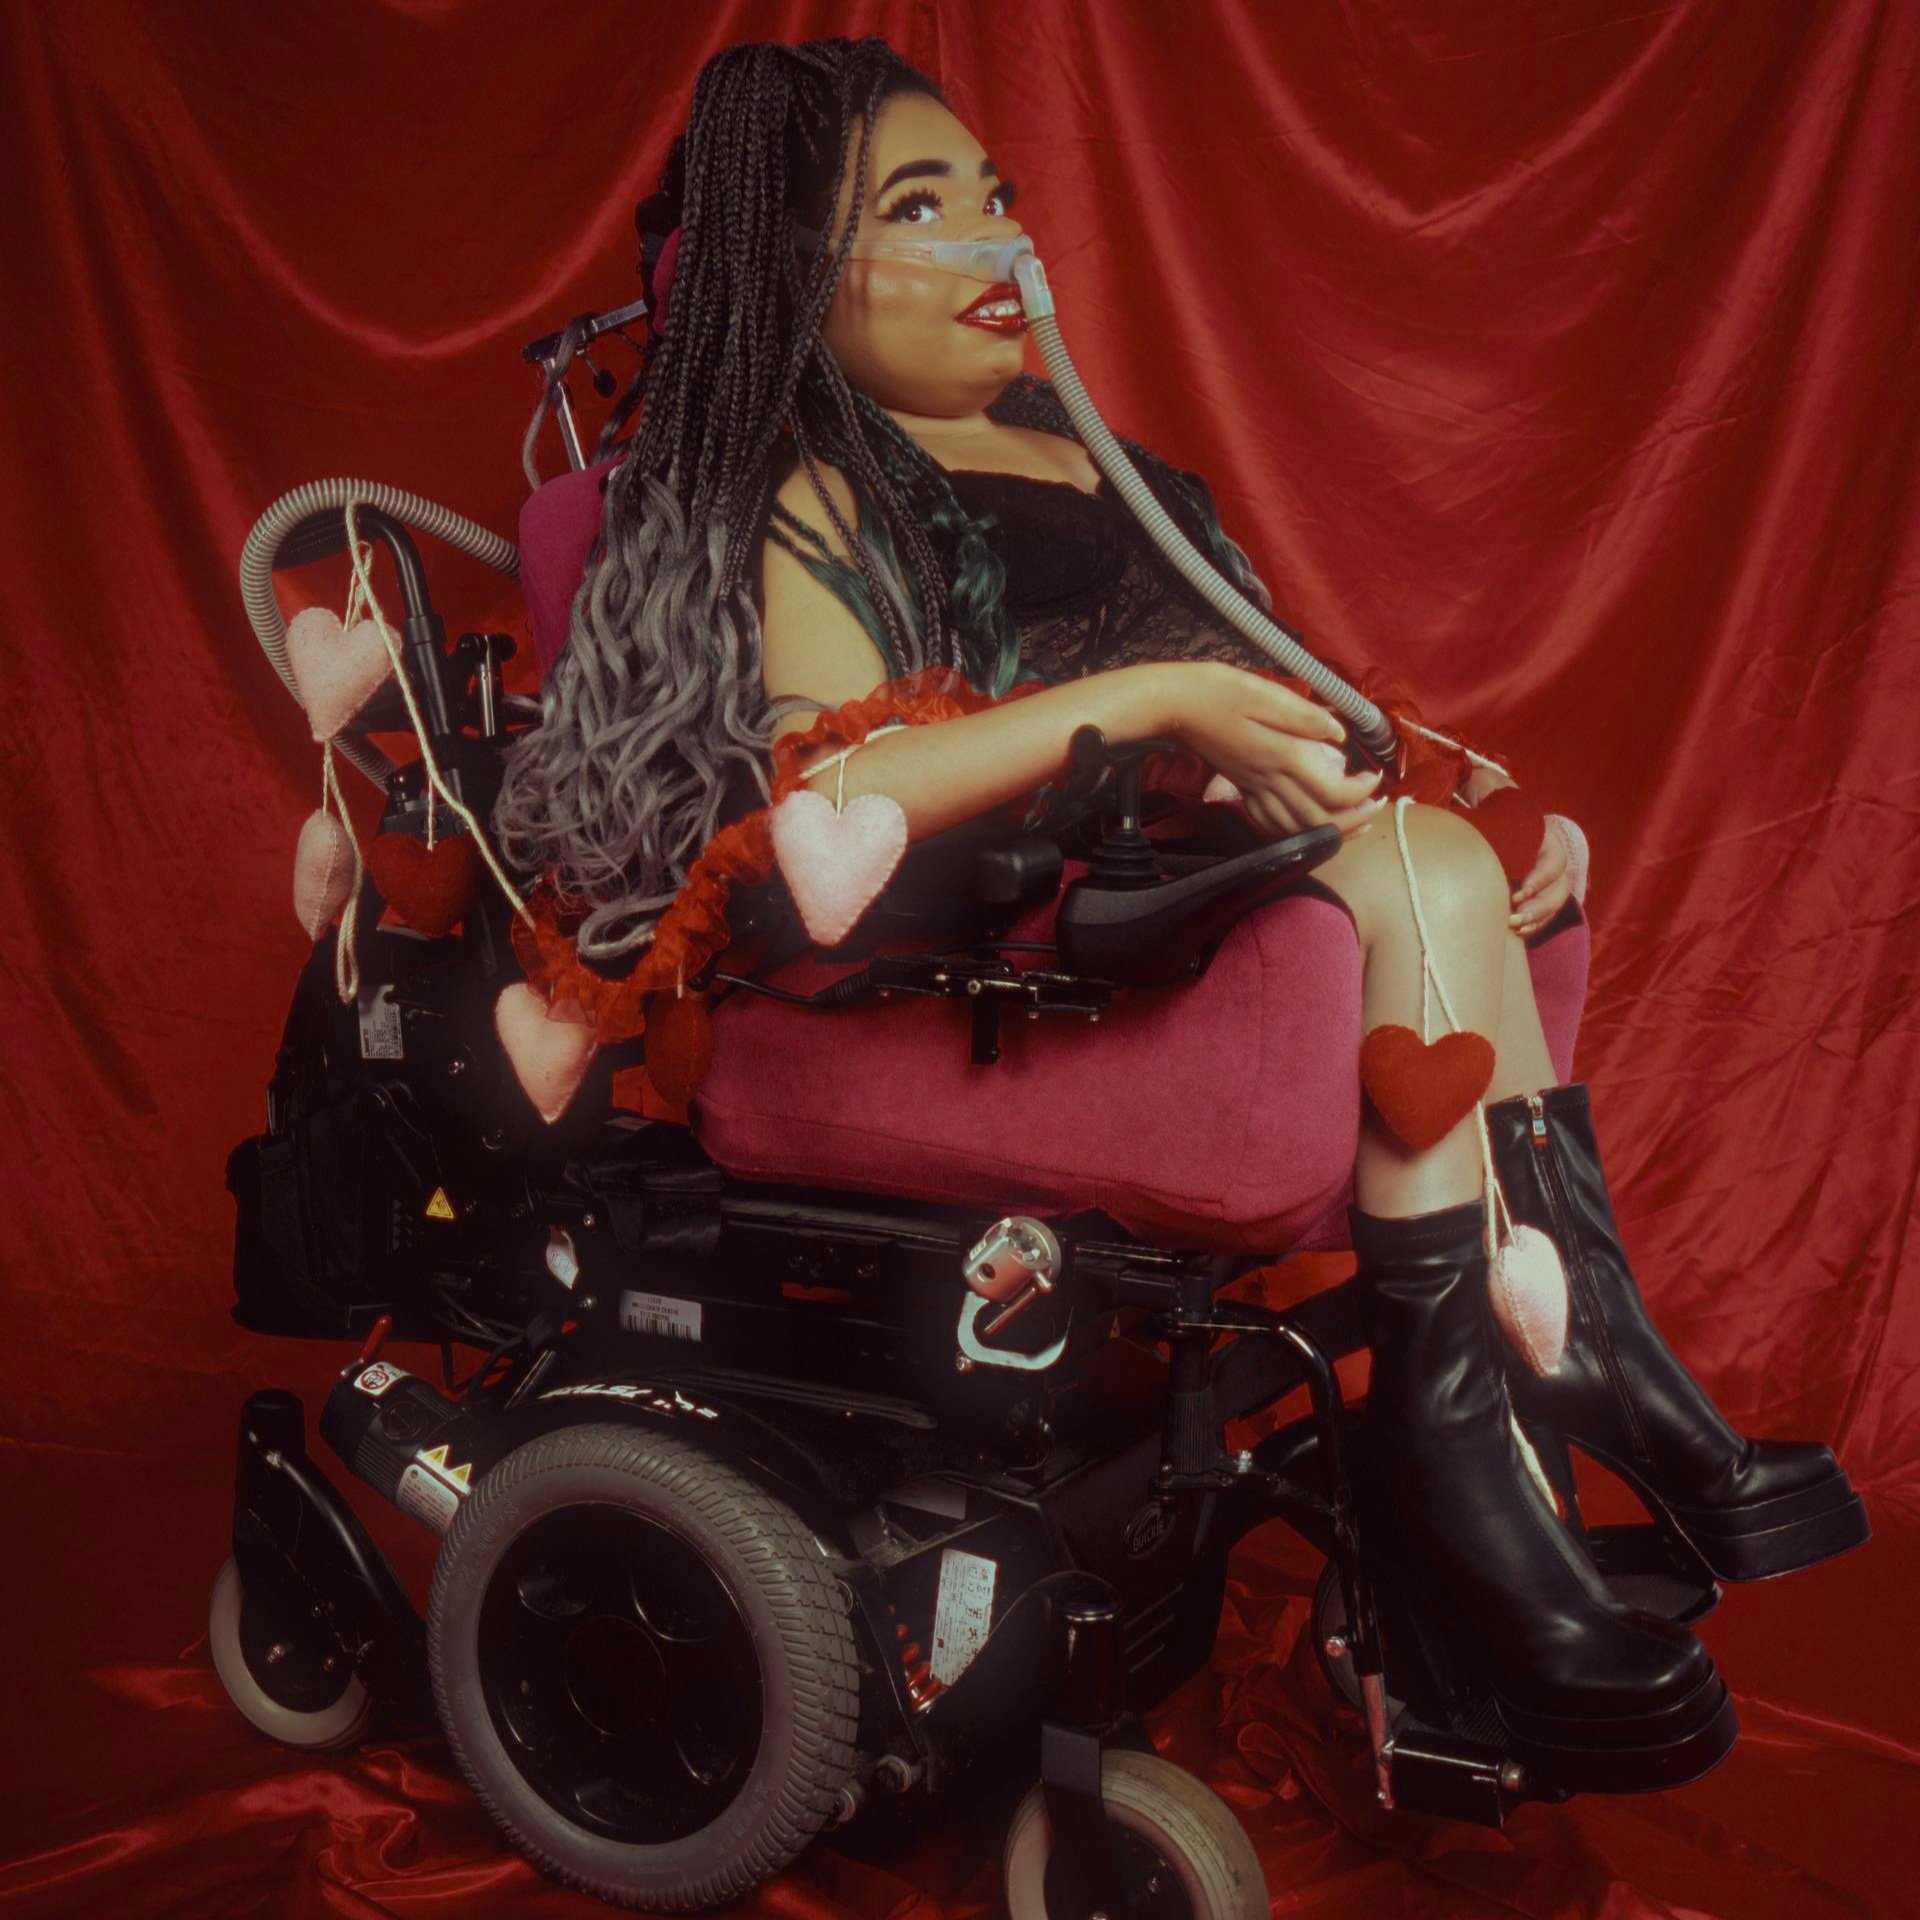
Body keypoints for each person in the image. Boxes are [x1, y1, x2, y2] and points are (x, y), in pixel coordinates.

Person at [495, 35, 1862, 1767]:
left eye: (998, 197)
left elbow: (1277, 706)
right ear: (791, 270)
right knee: (1412, 886)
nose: (996, 242)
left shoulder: (1110, 470)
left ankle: (1538, 1381)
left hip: (1123, 929)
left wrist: (1437, 788)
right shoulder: (801, 492)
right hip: (918, 990)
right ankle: (1509, 1439)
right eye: (922, 209)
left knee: (1445, 862)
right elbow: (826, 799)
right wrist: (1155, 705)